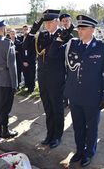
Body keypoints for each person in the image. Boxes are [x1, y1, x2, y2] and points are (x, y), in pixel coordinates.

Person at [64, 15, 104, 167]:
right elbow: (69, 71)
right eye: (78, 28)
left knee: (91, 127)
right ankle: (79, 150)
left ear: (92, 29)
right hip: (75, 96)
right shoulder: (73, 45)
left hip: (93, 97)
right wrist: (67, 92)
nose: (79, 30)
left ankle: (89, 152)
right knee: (78, 126)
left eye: (83, 28)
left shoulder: (103, 48)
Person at [34, 9, 72, 149]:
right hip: (43, 78)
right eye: (46, 23)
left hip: (56, 78)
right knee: (48, 108)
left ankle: (57, 136)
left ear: (57, 22)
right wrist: (34, 29)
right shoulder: (42, 35)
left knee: (57, 108)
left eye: (50, 22)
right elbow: (30, 47)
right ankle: (49, 134)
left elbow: (54, 55)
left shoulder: (65, 36)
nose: (47, 25)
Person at [22, 25, 36, 93]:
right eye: (24, 29)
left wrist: (29, 62)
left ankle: (31, 88)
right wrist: (23, 61)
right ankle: (27, 85)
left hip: (31, 61)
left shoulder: (33, 38)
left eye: (27, 29)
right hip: (24, 60)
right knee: (26, 74)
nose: (25, 30)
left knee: (31, 74)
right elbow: (21, 50)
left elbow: (34, 52)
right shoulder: (21, 38)